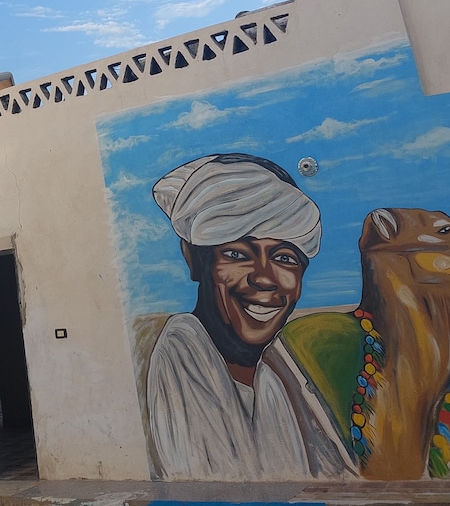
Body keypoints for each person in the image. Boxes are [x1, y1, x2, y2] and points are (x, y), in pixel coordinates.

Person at [145, 153, 352, 480]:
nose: (265, 278)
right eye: (236, 254)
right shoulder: (183, 350)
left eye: (285, 258)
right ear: (194, 260)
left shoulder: (276, 375)